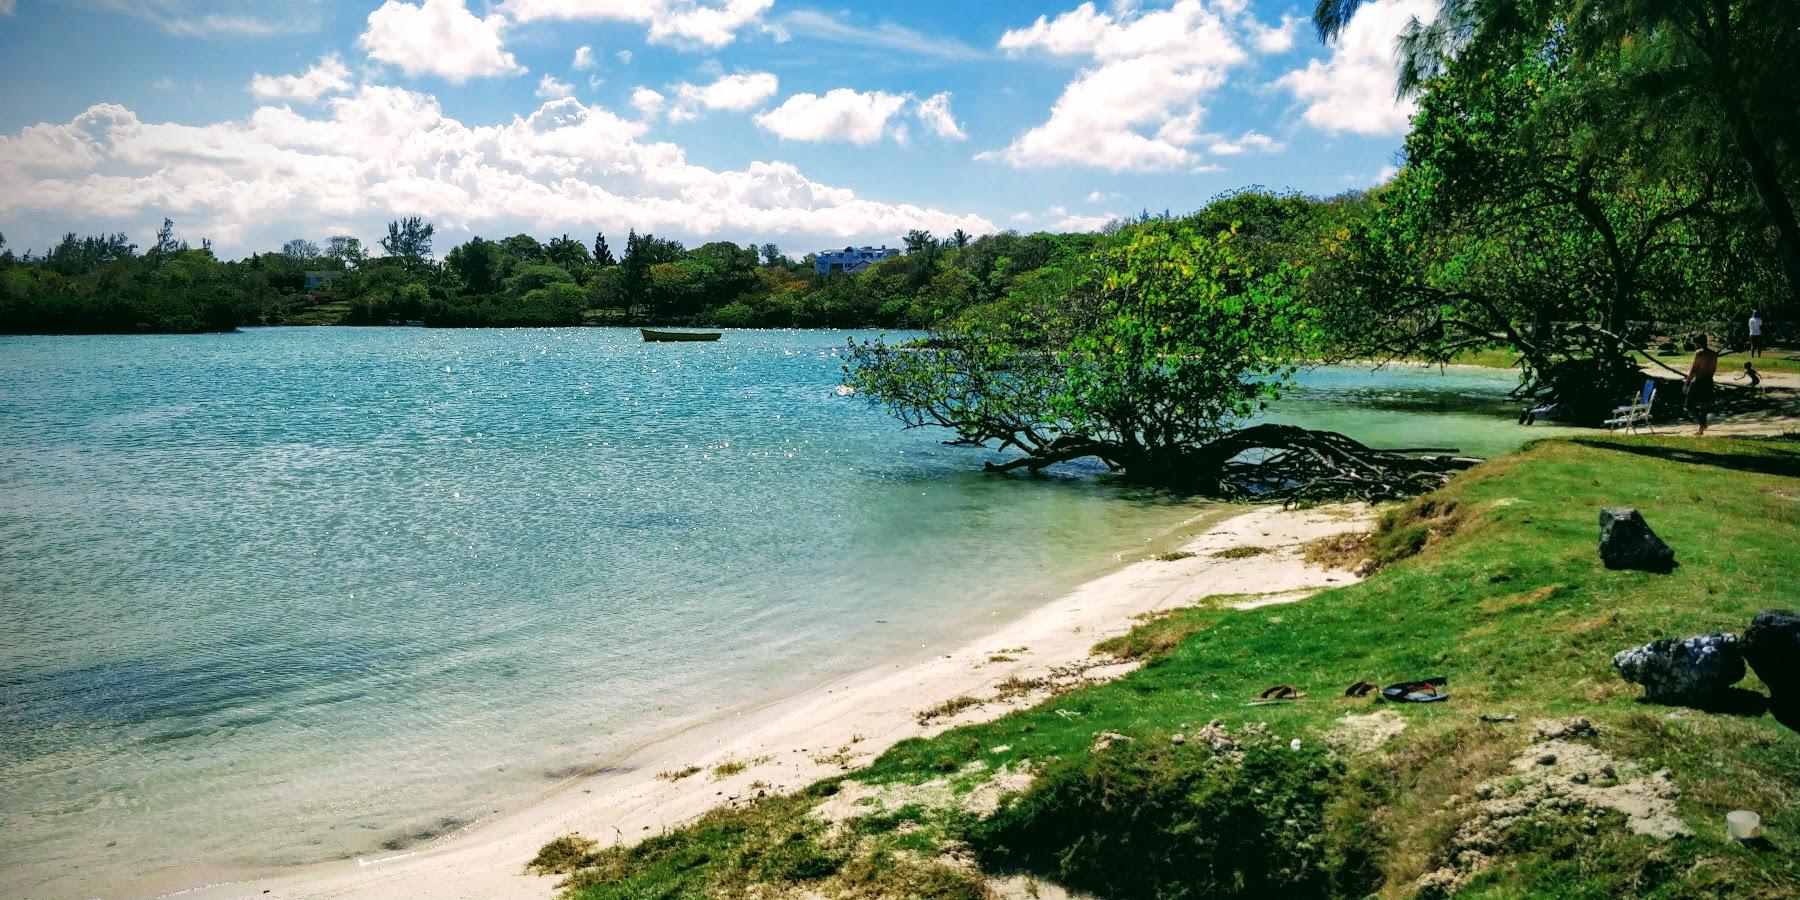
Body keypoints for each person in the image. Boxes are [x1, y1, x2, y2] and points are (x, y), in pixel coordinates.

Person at [1685, 335, 1720, 435]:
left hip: (1699, 380)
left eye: (1695, 343)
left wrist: (1686, 383)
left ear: (1699, 343)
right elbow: (1713, 369)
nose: (1695, 346)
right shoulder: (1714, 354)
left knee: (1688, 405)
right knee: (1703, 405)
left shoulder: (1699, 353)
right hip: (1709, 381)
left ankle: (1702, 423)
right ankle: (1701, 429)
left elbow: (1694, 369)